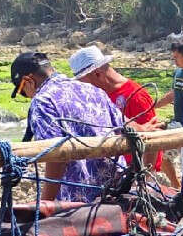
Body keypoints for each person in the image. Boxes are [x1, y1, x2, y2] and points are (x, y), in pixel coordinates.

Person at [10, 51, 125, 203]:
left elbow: (56, 156)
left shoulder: (43, 102)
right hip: (115, 187)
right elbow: (121, 127)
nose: (25, 95)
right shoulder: (92, 89)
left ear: (28, 81)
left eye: (21, 91)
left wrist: (46, 203)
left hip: (79, 196)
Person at [69, 45, 164, 173]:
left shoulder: (135, 96)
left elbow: (152, 138)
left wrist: (143, 175)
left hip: (134, 171)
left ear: (97, 74)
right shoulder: (99, 96)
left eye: (84, 83)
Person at [156, 36, 183, 191]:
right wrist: (154, 105)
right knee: (164, 159)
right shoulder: (178, 72)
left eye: (176, 58)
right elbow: (173, 93)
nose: (174, 62)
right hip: (177, 123)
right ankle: (176, 189)